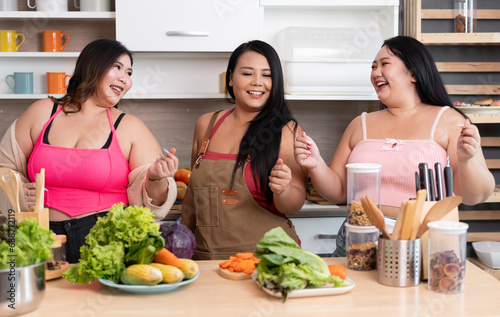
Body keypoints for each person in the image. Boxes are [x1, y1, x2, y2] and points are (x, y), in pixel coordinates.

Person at [294, 35, 495, 256]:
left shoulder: (449, 121)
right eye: (373, 66)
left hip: (421, 239)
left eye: (384, 64)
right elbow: (339, 191)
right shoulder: (360, 124)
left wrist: (467, 160)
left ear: (414, 73)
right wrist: (317, 165)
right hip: (359, 235)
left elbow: (475, 196)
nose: (375, 72)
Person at [0, 39, 178, 262]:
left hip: (106, 241)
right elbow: (5, 169)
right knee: (42, 296)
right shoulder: (42, 112)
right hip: (41, 236)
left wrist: (155, 179)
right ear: (92, 66)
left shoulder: (130, 127)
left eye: (129, 72)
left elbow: (153, 205)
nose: (125, 78)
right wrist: (19, 192)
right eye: (117, 67)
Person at [181, 40, 308, 260]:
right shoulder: (206, 125)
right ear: (230, 78)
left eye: (267, 75)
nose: (257, 82)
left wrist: (283, 190)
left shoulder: (287, 131)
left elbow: (294, 204)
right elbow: (193, 195)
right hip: (208, 262)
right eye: (247, 73)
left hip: (268, 263)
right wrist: (181, 243)